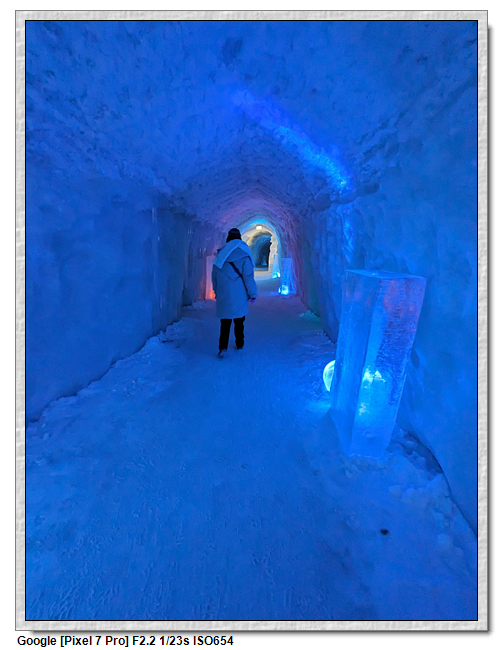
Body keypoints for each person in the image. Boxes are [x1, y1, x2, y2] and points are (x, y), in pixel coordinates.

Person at [212, 228, 257, 358]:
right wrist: (252, 293)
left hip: (224, 292)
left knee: (225, 323)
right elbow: (248, 277)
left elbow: (214, 277)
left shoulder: (220, 256)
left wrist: (217, 291)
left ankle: (222, 347)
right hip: (239, 294)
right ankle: (239, 343)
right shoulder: (244, 256)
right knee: (239, 321)